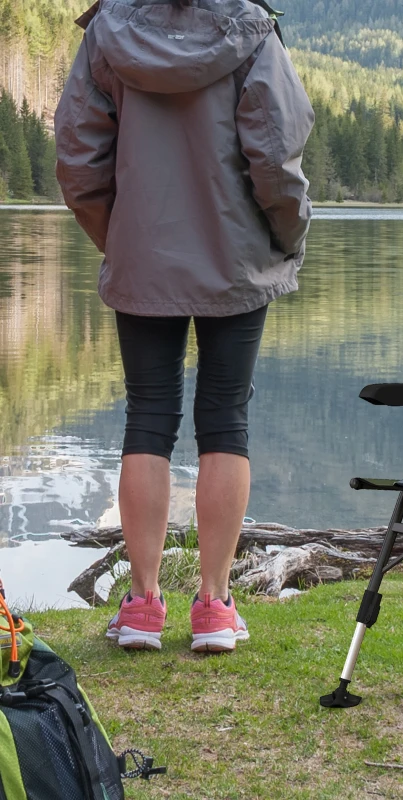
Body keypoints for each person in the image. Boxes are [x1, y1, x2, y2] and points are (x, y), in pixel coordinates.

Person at [54, 0, 314, 652]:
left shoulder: (110, 29)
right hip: (237, 256)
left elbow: (78, 156)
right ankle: (215, 607)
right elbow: (276, 153)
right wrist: (286, 237)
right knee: (225, 418)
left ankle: (142, 606)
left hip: (143, 252)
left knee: (147, 415)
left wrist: (121, 237)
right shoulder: (251, 28)